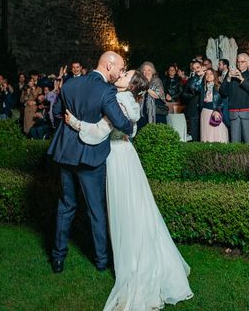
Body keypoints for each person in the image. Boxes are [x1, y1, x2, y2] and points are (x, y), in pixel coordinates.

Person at [64, 70, 193, 310]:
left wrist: (75, 123)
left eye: (126, 74)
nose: (121, 74)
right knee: (137, 209)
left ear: (131, 85)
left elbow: (100, 131)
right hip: (128, 155)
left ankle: (131, 260)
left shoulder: (120, 101)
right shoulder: (130, 100)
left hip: (117, 158)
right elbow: (131, 131)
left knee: (124, 210)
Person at [47, 51, 134, 274]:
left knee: (66, 206)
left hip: (66, 153)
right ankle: (101, 261)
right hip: (91, 157)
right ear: (108, 65)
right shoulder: (106, 91)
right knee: (96, 210)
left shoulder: (69, 85)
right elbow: (122, 123)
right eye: (119, 68)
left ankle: (58, 258)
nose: (120, 73)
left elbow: (57, 112)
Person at [219, 53, 249, 143]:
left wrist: (242, 79)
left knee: (248, 142)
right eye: (238, 61)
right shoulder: (230, 76)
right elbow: (223, 92)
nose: (239, 64)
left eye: (242, 62)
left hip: (247, 113)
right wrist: (228, 78)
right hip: (233, 113)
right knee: (234, 143)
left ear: (248, 63)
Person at [199, 68, 229, 142]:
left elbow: (224, 101)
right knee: (207, 135)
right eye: (207, 74)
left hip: (216, 112)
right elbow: (193, 88)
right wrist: (199, 76)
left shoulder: (219, 86)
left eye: (211, 74)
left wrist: (217, 110)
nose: (208, 75)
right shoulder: (203, 87)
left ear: (214, 75)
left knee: (218, 135)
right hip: (205, 113)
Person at [138, 61, 167, 128]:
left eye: (149, 70)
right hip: (143, 109)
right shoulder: (140, 81)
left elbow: (157, 95)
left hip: (155, 110)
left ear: (152, 71)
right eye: (144, 70)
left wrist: (146, 88)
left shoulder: (156, 81)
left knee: (156, 129)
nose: (146, 72)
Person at [182, 60, 204, 141]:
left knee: (204, 133)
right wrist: (192, 96)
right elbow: (183, 94)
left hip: (205, 109)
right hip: (193, 109)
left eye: (198, 67)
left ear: (202, 67)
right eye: (194, 69)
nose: (196, 70)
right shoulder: (191, 80)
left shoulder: (207, 76)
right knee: (194, 133)